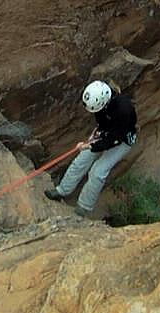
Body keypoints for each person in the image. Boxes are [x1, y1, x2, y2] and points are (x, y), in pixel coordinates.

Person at [44, 80, 137, 217]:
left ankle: (83, 207)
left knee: (98, 172)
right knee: (81, 160)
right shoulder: (100, 102)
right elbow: (102, 120)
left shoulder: (124, 109)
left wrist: (91, 145)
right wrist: (95, 134)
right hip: (107, 133)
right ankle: (62, 190)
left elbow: (114, 138)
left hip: (122, 139)